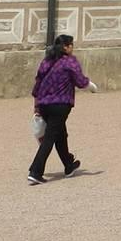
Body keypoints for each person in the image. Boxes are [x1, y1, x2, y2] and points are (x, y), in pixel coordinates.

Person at [28, 34, 100, 184]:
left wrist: (36, 106)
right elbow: (80, 81)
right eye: (71, 45)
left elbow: (37, 84)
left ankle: (68, 165)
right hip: (60, 105)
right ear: (66, 47)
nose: (72, 48)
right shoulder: (69, 61)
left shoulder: (47, 61)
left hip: (44, 104)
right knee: (50, 138)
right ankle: (35, 171)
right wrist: (92, 86)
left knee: (60, 135)